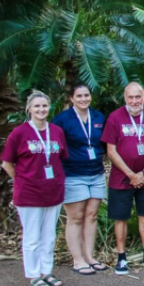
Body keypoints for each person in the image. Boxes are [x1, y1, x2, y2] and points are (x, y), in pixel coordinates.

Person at [1, 91, 69, 286]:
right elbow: (7, 163)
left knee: (49, 235)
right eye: (37, 106)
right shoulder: (19, 133)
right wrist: (22, 180)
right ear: (29, 109)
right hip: (29, 193)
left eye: (45, 106)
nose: (41, 110)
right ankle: (33, 274)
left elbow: (60, 157)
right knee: (32, 236)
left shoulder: (56, 131)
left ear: (49, 108)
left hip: (53, 191)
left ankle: (46, 271)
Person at [101, 82, 144, 275]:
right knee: (120, 217)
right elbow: (110, 150)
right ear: (125, 98)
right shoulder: (115, 117)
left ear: (143, 97)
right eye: (130, 97)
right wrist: (131, 174)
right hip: (121, 178)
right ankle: (121, 257)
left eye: (137, 97)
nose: (134, 101)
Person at [51, 84, 108, 274]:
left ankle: (90, 256)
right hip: (73, 174)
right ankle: (78, 259)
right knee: (75, 217)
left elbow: (105, 144)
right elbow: (54, 145)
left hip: (96, 173)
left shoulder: (98, 117)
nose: (84, 99)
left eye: (86, 95)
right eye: (79, 96)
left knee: (91, 216)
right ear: (72, 98)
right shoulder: (62, 119)